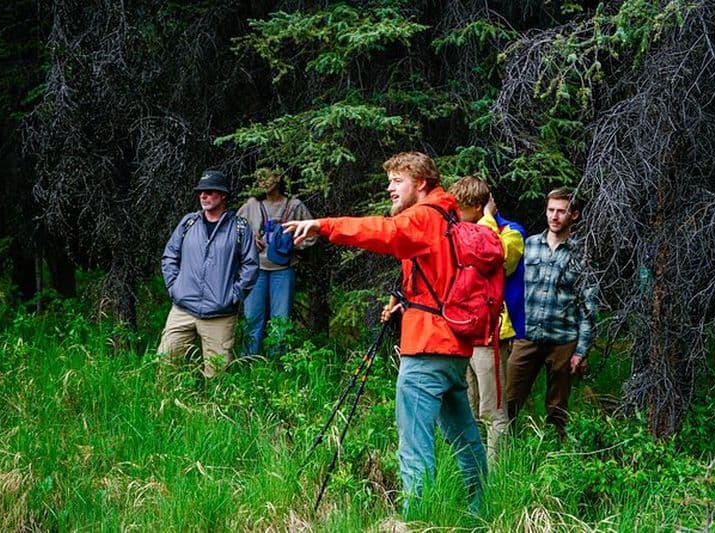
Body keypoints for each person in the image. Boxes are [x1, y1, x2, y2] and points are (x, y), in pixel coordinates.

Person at [284, 152, 487, 515]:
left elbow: (384, 232)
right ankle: (480, 509)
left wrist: (324, 226)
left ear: (420, 183)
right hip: (453, 347)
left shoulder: (425, 216)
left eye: (397, 180)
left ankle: (417, 517)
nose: (389, 188)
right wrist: (405, 300)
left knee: (414, 443)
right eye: (390, 180)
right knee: (464, 437)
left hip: (426, 348)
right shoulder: (449, 215)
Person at [505, 187, 597, 438]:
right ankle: (505, 449)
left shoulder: (582, 253)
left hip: (563, 339)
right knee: (510, 398)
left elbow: (588, 305)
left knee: (558, 406)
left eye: (561, 211)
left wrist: (581, 350)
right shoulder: (529, 245)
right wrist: (510, 329)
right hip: (527, 335)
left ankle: (557, 451)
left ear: (574, 215)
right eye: (550, 210)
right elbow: (512, 291)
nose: (554, 216)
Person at [447, 176, 525, 463]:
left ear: (479, 207)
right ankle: (470, 468)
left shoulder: (510, 233)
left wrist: (488, 220)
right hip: (462, 331)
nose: (457, 214)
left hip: (492, 332)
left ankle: (495, 477)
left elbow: (495, 258)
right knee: (468, 407)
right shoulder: (459, 230)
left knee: (493, 410)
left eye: (463, 209)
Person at [158, 169, 259, 378]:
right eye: (201, 192)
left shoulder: (239, 228)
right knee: (166, 365)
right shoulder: (189, 223)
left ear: (223, 195)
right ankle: (166, 408)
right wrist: (174, 288)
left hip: (219, 313)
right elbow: (169, 256)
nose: (203, 196)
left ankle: (212, 410)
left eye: (210, 191)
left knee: (218, 375)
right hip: (182, 308)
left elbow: (250, 266)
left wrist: (233, 296)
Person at [237, 168, 315, 357]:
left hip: (283, 269)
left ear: (278, 177)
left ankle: (278, 364)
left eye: (267, 175)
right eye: (258, 177)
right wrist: (248, 240)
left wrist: (292, 245)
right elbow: (234, 230)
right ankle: (247, 361)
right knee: (252, 318)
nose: (262, 181)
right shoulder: (251, 206)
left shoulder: (294, 206)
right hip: (256, 269)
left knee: (281, 320)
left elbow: (312, 233)